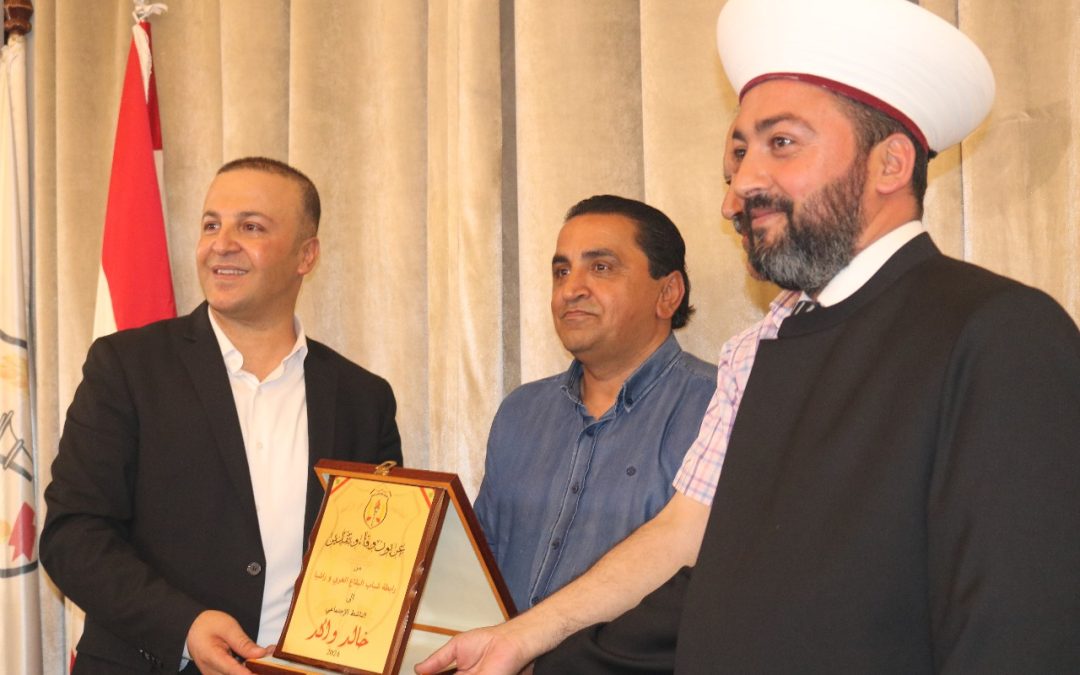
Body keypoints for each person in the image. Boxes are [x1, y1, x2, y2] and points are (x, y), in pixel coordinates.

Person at [418, 0, 1080, 672]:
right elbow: (693, 547)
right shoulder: (758, 348)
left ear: (889, 164)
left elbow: (1018, 632)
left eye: (781, 143)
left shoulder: (999, 334)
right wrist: (524, 640)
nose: (739, 189)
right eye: (740, 153)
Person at [41, 157, 403, 674]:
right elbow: (72, 537)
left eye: (250, 227)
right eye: (211, 224)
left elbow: (377, 559)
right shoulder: (126, 366)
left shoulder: (364, 399)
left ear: (306, 255)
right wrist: (184, 626)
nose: (221, 243)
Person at [474, 195, 716, 612]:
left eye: (601, 268)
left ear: (668, 293)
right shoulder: (519, 412)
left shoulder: (720, 408)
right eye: (561, 271)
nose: (571, 290)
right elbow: (481, 566)